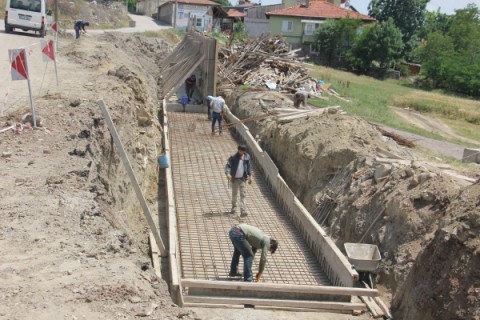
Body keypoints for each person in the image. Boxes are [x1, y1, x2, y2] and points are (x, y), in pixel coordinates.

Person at [225, 145, 252, 217]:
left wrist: (250, 176)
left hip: (243, 179)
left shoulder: (246, 158)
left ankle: (243, 211)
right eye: (240, 150)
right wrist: (228, 174)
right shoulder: (233, 157)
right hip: (235, 179)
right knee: (234, 194)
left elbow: (248, 167)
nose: (241, 152)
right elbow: (228, 166)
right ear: (238, 150)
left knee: (243, 195)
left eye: (242, 151)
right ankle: (234, 208)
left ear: (244, 151)